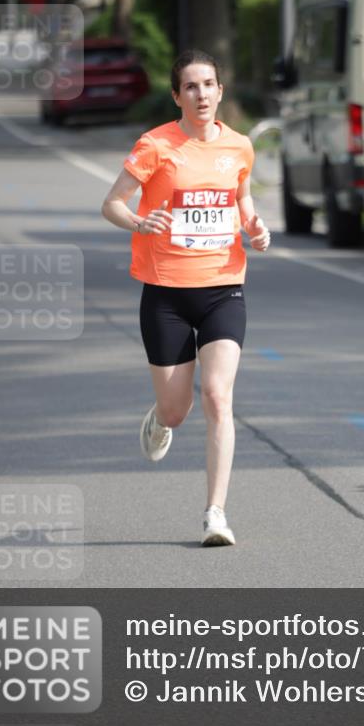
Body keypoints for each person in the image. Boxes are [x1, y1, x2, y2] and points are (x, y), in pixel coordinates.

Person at [101, 49, 270, 546]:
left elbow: (241, 198)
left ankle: (215, 513)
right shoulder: (156, 145)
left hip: (222, 287)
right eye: (191, 87)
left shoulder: (239, 146)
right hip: (166, 293)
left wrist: (255, 228)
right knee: (178, 410)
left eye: (209, 85)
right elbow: (112, 203)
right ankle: (160, 418)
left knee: (218, 396)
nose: (201, 94)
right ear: (177, 95)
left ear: (221, 91)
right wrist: (138, 220)